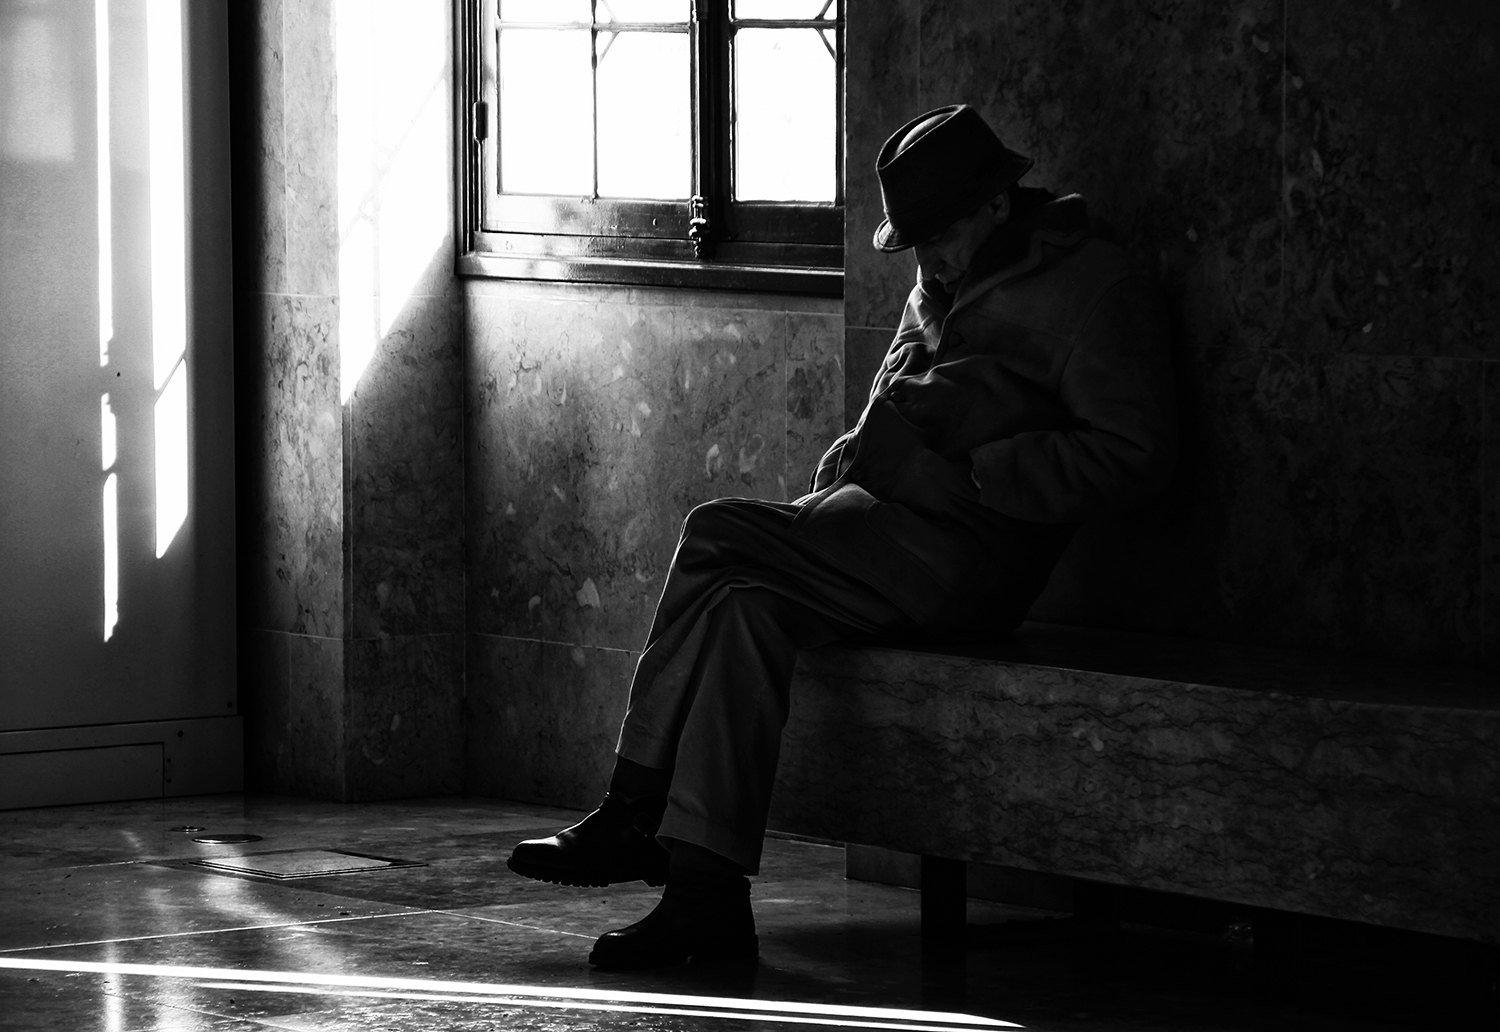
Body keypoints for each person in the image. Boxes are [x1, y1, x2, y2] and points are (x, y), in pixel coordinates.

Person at [505, 104, 1178, 970]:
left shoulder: (1094, 287)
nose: (928, 262)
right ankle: (707, 898)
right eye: (916, 245)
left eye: (939, 238)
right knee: (743, 610)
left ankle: (632, 808)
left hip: (968, 563)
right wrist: (838, 483)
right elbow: (883, 417)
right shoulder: (940, 282)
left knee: (715, 532)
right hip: (875, 535)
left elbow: (1137, 455)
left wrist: (986, 468)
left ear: (996, 203)